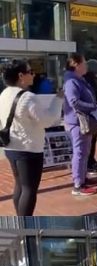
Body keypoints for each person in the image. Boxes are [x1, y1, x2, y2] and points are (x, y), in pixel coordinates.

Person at [0, 60, 64, 215]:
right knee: (29, 189)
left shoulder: (4, 93)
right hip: (29, 149)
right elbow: (47, 120)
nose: (34, 75)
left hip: (10, 146)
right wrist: (58, 99)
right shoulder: (28, 97)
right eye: (30, 72)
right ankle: (26, 229)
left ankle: (21, 222)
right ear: (21, 76)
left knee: (20, 186)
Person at [62, 53, 97, 196]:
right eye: (84, 63)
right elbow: (74, 102)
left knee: (85, 151)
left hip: (83, 120)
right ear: (76, 65)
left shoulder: (78, 79)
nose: (86, 66)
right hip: (77, 122)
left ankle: (83, 179)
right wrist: (92, 106)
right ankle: (78, 184)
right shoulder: (72, 82)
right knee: (79, 152)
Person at [83, 66, 97, 175]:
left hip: (91, 111)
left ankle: (90, 161)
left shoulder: (84, 81)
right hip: (94, 111)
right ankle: (90, 161)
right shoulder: (90, 81)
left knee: (90, 139)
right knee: (92, 138)